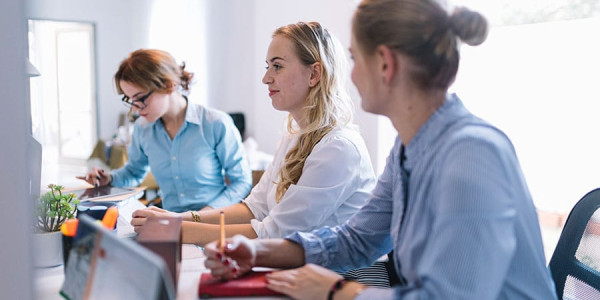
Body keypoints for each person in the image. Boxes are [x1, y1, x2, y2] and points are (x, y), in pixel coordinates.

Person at [202, 0, 558, 299]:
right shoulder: (408, 149)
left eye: (355, 59)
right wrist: (256, 251)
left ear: (386, 64)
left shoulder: (471, 156)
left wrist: (337, 290)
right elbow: (357, 239)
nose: (350, 76)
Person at [132, 22, 391, 287]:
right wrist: (179, 218)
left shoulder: (338, 147)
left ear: (314, 74)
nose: (266, 78)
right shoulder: (295, 136)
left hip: (350, 275)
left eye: (277, 66)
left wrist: (177, 229)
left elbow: (274, 233)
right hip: (307, 266)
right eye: (267, 67)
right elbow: (254, 208)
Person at [78, 49, 252, 213]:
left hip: (212, 223)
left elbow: (242, 183)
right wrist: (109, 178)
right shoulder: (142, 129)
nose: (136, 110)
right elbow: (134, 172)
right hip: (169, 221)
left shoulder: (215, 124)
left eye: (140, 99)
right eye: (130, 100)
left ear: (168, 85)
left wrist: (204, 215)